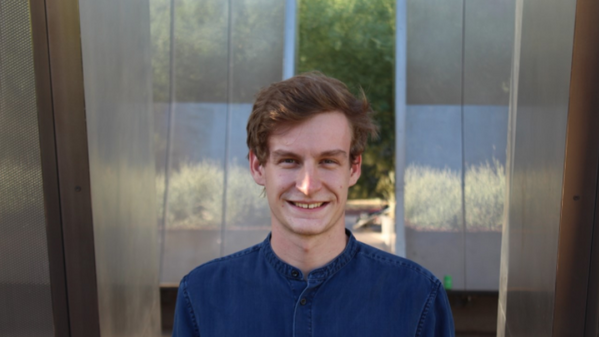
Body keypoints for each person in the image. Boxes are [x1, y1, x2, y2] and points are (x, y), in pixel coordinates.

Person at [172, 73, 455, 337]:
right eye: (289, 161)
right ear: (258, 166)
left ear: (354, 168)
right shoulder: (200, 296)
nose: (308, 186)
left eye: (328, 161)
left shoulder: (418, 298)